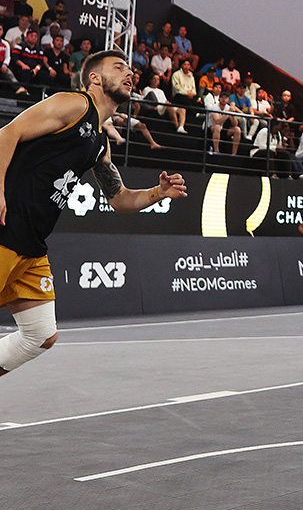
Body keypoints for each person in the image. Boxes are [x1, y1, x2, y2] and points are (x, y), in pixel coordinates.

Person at [0, 49, 187, 380]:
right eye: (119, 68)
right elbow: (6, 134)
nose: (130, 73)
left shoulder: (101, 141)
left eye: (130, 69)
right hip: (5, 229)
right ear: (95, 78)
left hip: (31, 246)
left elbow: (119, 198)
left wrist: (159, 193)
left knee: (40, 335)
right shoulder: (74, 104)